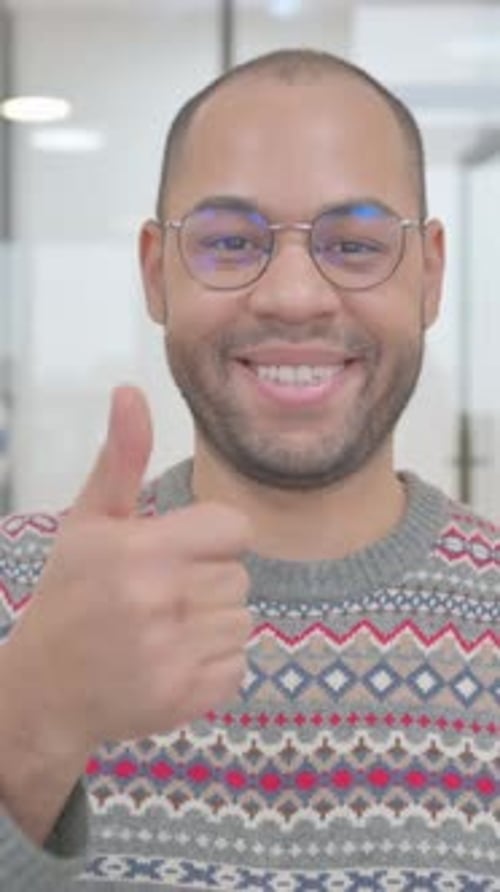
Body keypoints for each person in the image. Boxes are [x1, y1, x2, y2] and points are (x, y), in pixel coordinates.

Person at [1, 47, 499, 892]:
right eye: (231, 242)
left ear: (430, 274)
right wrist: (30, 727)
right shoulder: (24, 593)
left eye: (354, 242)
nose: (295, 296)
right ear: (157, 272)